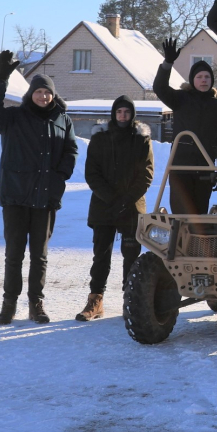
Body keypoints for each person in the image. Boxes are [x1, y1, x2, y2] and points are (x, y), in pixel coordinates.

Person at [0, 53, 78, 325]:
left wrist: (61, 175)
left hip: (46, 197)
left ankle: (36, 303)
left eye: (47, 92)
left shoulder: (63, 120)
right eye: (38, 92)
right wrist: (1, 79)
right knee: (14, 254)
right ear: (30, 94)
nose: (43, 97)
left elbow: (71, 150)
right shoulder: (13, 118)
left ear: (53, 95)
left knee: (40, 255)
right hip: (15, 196)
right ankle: (9, 304)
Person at [77, 96, 154, 321]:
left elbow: (146, 174)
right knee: (101, 255)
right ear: (113, 113)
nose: (122, 115)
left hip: (131, 207)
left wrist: (126, 200)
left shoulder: (142, 139)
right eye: (119, 111)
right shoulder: (100, 138)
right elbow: (92, 172)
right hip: (104, 206)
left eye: (126, 112)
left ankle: (130, 300)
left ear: (132, 114)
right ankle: (95, 300)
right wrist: (111, 198)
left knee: (131, 256)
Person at [155, 39, 217, 216]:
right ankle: (179, 243)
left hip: (205, 169)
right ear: (192, 80)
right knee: (182, 215)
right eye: (199, 77)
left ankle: (196, 244)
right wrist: (167, 64)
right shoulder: (180, 99)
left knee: (199, 215)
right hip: (180, 167)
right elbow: (159, 87)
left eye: (207, 77)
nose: (203, 80)